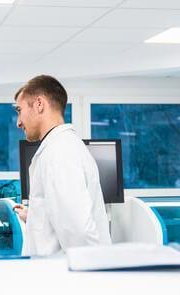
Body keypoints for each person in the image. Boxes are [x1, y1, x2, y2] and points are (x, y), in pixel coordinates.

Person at [13, 75, 111, 256]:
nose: (19, 122)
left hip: (68, 276)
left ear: (39, 104)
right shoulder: (60, 147)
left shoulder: (60, 152)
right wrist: (35, 216)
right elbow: (64, 214)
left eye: (19, 110)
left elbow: (77, 230)